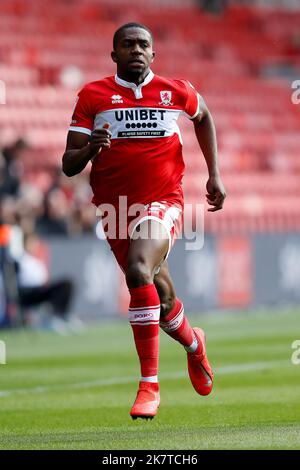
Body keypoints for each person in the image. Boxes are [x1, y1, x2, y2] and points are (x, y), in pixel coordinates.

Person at [62, 22, 226, 420]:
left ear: (153, 54)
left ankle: (148, 386)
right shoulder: (93, 96)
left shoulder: (175, 91)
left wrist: (214, 174)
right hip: (114, 209)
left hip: (163, 201)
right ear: (114, 54)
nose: (136, 50)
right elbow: (68, 164)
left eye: (143, 45)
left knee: (138, 269)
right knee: (161, 297)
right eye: (127, 44)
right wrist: (90, 150)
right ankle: (194, 345)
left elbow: (203, 117)